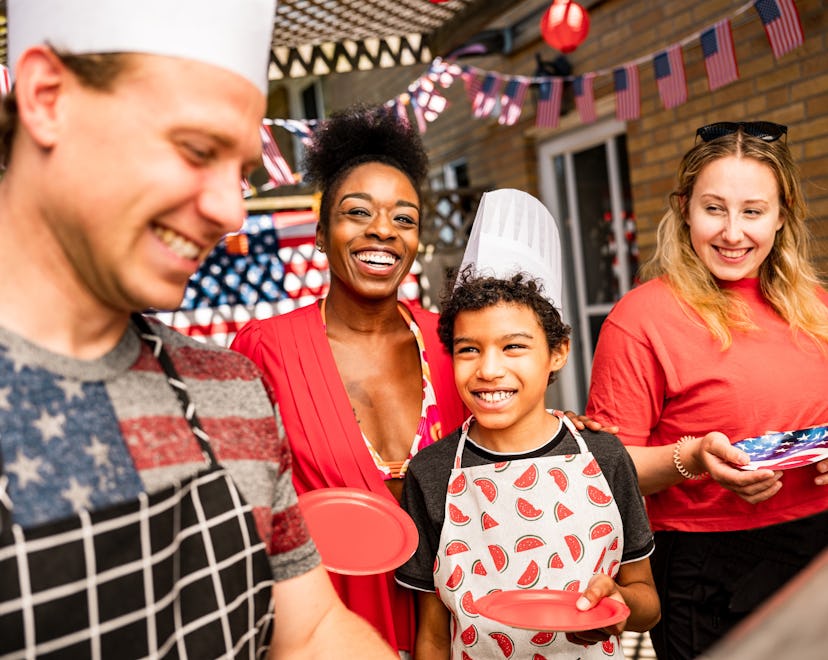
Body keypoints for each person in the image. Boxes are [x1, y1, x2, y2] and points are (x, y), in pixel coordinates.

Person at [0, 1, 395, 657]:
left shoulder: (232, 389)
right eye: (195, 149)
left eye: (240, 172)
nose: (231, 211)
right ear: (47, 98)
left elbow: (310, 632)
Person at [230, 103, 468, 657]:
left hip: (460, 629)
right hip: (324, 633)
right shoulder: (267, 350)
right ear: (320, 231)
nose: (382, 230)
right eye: (357, 212)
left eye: (404, 218)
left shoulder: (456, 343)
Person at [586, 121, 828, 659]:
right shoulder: (640, 319)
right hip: (706, 562)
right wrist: (691, 458)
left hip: (819, 546)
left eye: (753, 211)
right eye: (714, 208)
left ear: (782, 216)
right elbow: (605, 470)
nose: (733, 232)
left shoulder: (816, 308)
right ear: (684, 209)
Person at [395, 189, 659, 660]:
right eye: (468, 349)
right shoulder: (431, 474)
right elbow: (433, 633)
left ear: (557, 352)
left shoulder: (603, 456)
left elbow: (647, 600)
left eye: (514, 346)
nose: (489, 369)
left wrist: (620, 604)